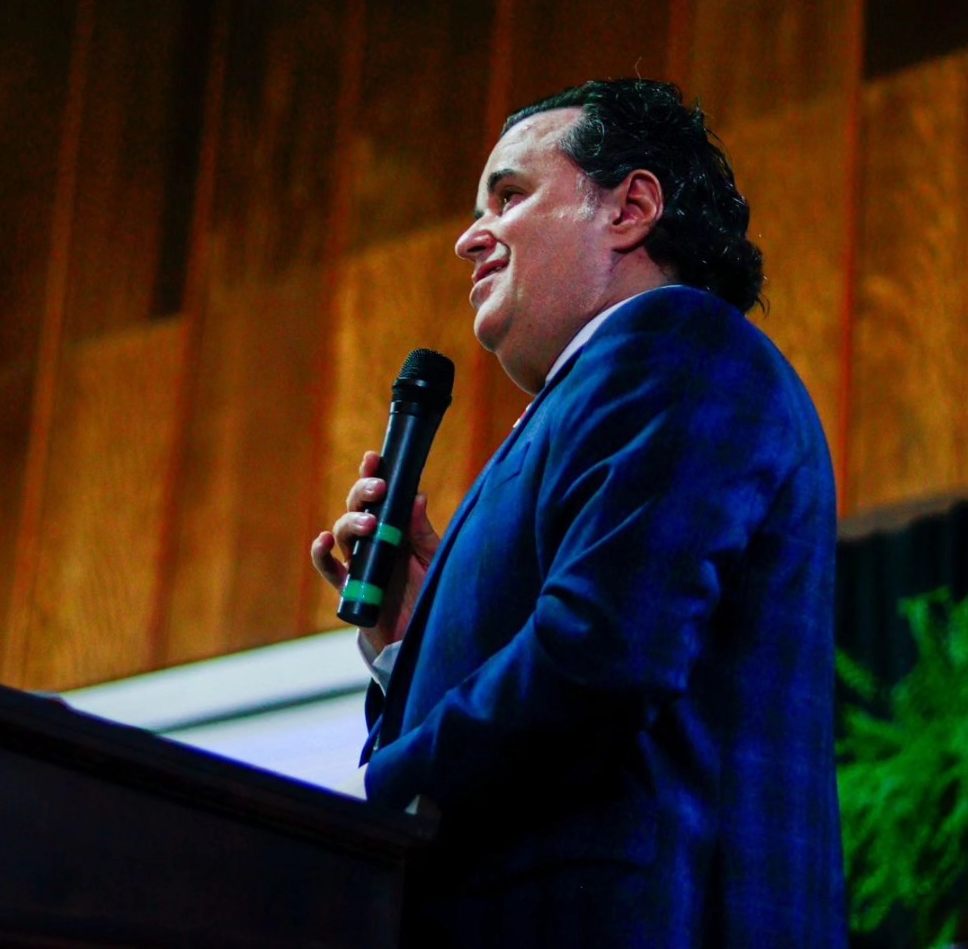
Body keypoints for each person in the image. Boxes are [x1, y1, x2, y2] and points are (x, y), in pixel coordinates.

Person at [311, 79, 846, 948]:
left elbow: (601, 652)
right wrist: (412, 645)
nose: (468, 237)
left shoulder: (674, 342)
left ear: (629, 209)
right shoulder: (592, 391)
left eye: (509, 195)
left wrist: (375, 795)